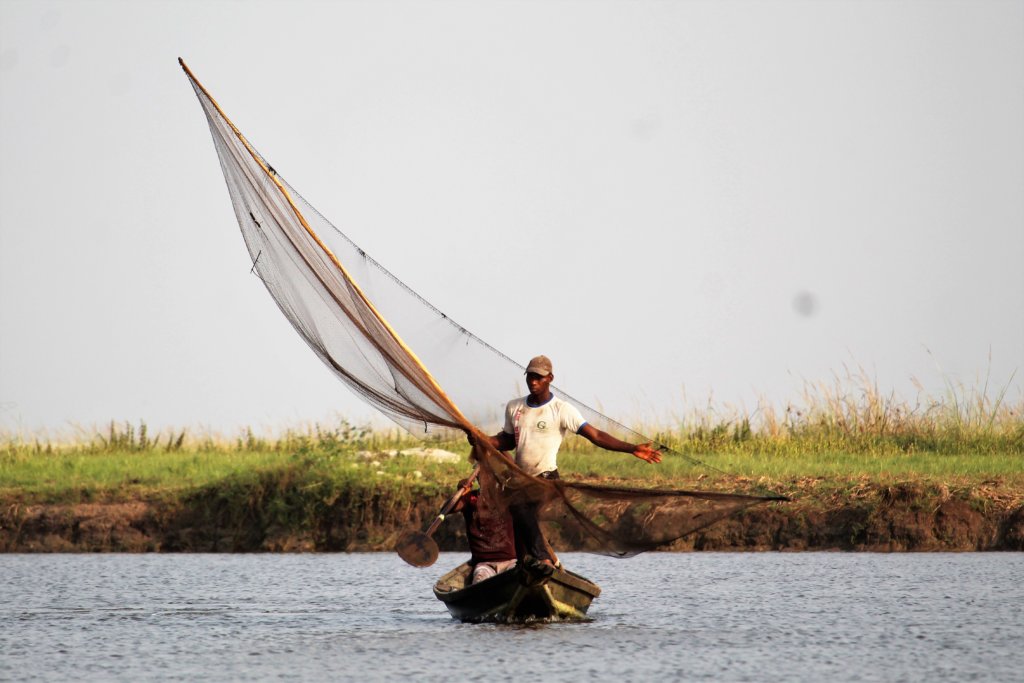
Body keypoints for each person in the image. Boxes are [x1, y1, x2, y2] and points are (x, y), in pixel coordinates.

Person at [474, 355, 661, 568]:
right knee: (519, 521)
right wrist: (485, 440)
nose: (533, 381)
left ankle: (543, 559)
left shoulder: (562, 409)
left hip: (547, 480)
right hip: (522, 480)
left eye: (539, 377)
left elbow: (596, 436)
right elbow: (507, 440)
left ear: (550, 378)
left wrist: (632, 448)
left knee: (519, 508)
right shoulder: (514, 407)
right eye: (530, 377)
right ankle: (529, 566)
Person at [451, 478, 517, 584]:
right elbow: (450, 508)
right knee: (479, 581)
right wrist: (460, 493)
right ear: (478, 479)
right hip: (484, 564)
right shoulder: (471, 498)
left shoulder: (507, 497)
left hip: (511, 561)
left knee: (519, 577)